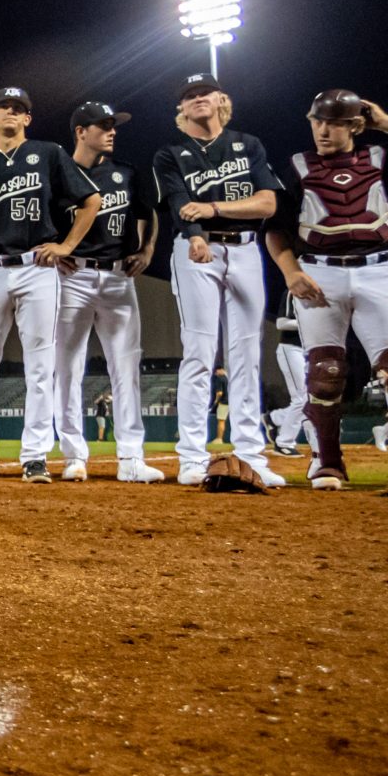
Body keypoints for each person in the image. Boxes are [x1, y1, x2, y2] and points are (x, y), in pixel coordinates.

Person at [268, 90, 388, 495]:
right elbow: (277, 230)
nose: (322, 130)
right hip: (319, 272)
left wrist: (384, 120)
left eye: (333, 122)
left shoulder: (382, 159)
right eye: (317, 121)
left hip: (378, 270)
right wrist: (290, 272)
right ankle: (326, 463)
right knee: (325, 372)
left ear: (355, 125)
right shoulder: (296, 167)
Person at [0, 87, 100, 483]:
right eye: (4, 107)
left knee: (40, 364)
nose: (11, 113)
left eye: (19, 109)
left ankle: (35, 455)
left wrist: (67, 244)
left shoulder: (48, 154)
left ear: (28, 119)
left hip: (37, 267)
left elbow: (91, 200)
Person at [150, 73, 283, 486]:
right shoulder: (170, 153)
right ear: (181, 109)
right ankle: (191, 456)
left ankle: (251, 455)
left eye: (203, 92)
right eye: (188, 96)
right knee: (199, 351)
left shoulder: (248, 144)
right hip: (196, 253)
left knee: (247, 355)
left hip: (245, 249)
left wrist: (209, 210)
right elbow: (177, 203)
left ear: (220, 99)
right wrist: (195, 236)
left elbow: (267, 202)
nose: (196, 99)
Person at [52, 101, 161, 483]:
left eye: (113, 126)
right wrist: (56, 248)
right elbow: (40, 217)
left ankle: (131, 457)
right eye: (102, 126)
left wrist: (146, 250)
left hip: (118, 278)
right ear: (81, 132)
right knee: (67, 369)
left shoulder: (127, 173)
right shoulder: (57, 172)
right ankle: (73, 455)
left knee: (126, 368)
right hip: (73, 277)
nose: (112, 131)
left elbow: (149, 212)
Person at [267, 317, 310, 455]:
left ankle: (275, 418)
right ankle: (284, 442)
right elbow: (281, 323)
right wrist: (311, 321)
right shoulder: (292, 294)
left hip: (310, 350)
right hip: (292, 348)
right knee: (302, 397)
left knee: (310, 397)